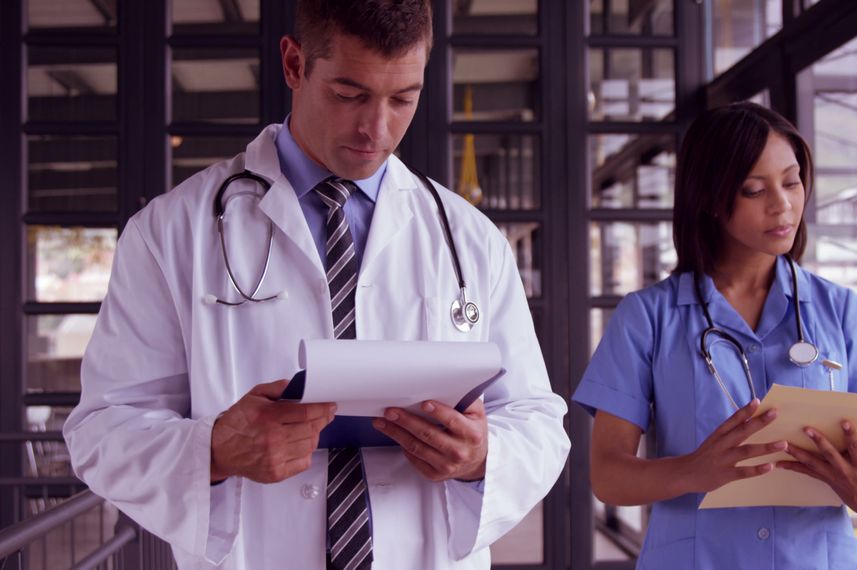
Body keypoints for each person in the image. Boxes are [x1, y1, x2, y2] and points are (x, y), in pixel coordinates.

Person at [62, 1, 569, 568]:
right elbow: (102, 430)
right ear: (294, 64)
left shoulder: (469, 238)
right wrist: (212, 450)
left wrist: (482, 457)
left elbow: (538, 421)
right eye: (349, 94)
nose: (376, 129)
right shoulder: (169, 232)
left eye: (403, 99)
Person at [572, 102, 857, 569]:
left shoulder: (842, 312)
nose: (783, 204)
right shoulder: (647, 318)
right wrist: (694, 470)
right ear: (712, 199)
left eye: (792, 182)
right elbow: (609, 477)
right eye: (755, 190)